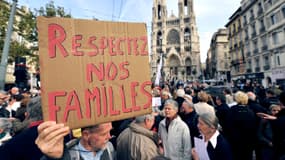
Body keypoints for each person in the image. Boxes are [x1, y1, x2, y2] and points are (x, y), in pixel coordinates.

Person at [36, 121, 115, 160]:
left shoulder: (109, 148)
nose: (109, 136)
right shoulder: (68, 155)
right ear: (86, 135)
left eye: (110, 131)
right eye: (103, 134)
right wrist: (52, 158)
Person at [223, 91, 257, 160]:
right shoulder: (250, 111)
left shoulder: (232, 110)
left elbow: (228, 125)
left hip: (235, 141)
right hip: (248, 141)